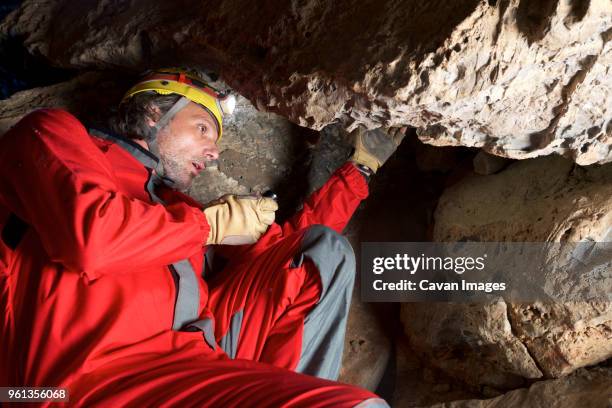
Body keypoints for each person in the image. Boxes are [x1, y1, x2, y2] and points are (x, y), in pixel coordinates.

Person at [0, 68, 406, 407]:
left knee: (324, 252)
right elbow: (91, 239)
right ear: (155, 111)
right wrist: (210, 226)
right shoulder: (54, 134)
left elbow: (289, 257)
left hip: (198, 365)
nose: (214, 153)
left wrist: (359, 172)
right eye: (203, 128)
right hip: (84, 383)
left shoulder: (182, 211)